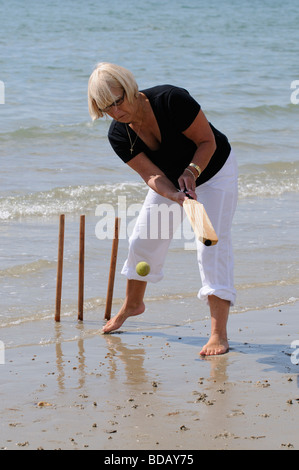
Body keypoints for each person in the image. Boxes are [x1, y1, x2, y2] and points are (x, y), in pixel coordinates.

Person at [88, 62, 238, 356]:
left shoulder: (171, 100)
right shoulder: (119, 135)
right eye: (107, 107)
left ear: (131, 88)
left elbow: (207, 141)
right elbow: (151, 176)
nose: (116, 112)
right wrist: (174, 194)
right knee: (143, 240)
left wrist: (192, 172)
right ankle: (133, 304)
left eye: (119, 100)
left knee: (211, 244)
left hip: (214, 172)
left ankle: (218, 333)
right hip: (174, 180)